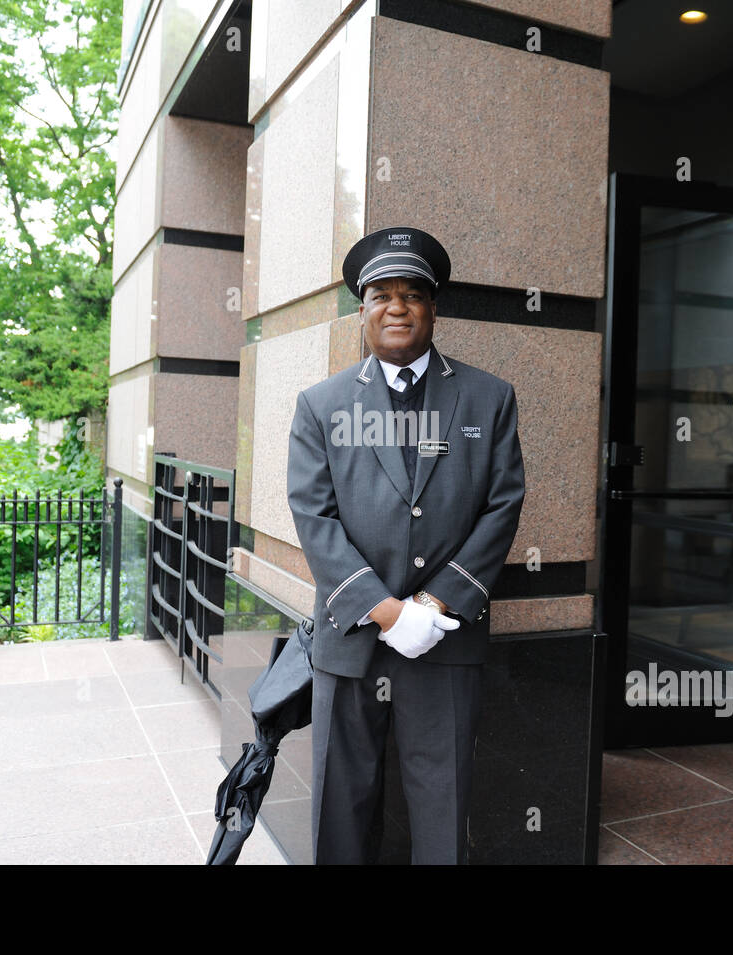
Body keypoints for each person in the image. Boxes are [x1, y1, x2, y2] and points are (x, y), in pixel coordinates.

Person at [286, 225, 526, 864]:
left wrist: (437, 605)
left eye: (412, 294)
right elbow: (313, 513)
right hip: (352, 635)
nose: (397, 307)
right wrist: (387, 611)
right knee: (342, 801)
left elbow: (503, 504)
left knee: (443, 801)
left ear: (432, 307)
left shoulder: (488, 396)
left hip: (446, 638)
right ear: (361, 310)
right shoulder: (321, 403)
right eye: (380, 295)